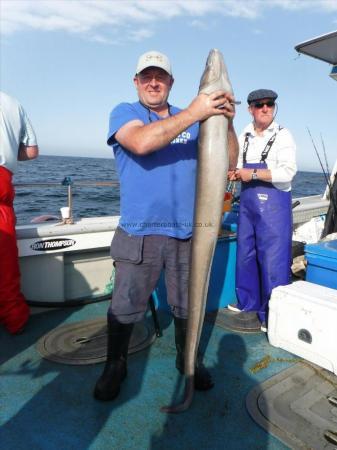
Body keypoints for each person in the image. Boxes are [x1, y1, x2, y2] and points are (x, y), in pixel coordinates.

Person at [94, 50, 239, 401]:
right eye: (147, 77)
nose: (154, 82)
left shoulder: (194, 117)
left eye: (161, 77)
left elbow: (230, 161)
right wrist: (196, 112)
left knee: (187, 304)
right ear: (137, 82)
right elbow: (142, 142)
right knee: (126, 303)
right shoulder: (125, 112)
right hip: (139, 231)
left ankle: (187, 359)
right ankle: (116, 364)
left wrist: (226, 121)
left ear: (171, 83)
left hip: (187, 232)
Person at [228, 89, 297, 332]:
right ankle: (247, 302)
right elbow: (238, 165)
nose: (266, 108)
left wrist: (253, 173)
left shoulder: (283, 135)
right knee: (246, 252)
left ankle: (272, 315)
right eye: (260, 105)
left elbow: (288, 172)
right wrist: (235, 172)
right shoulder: (244, 133)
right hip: (247, 204)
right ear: (250, 109)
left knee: (273, 261)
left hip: (275, 208)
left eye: (270, 104)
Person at [0, 91, 39, 334]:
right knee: (5, 261)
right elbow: (32, 151)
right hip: (2, 182)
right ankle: (15, 318)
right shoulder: (12, 102)